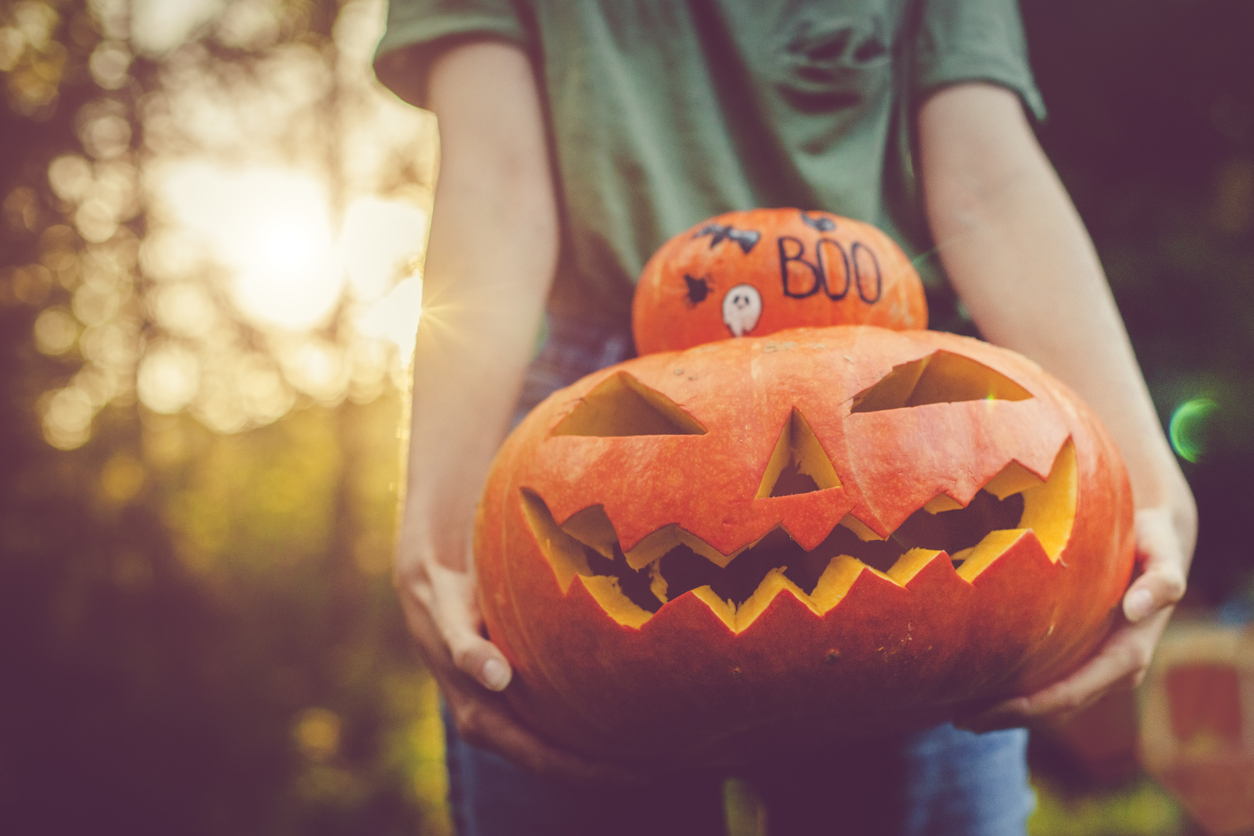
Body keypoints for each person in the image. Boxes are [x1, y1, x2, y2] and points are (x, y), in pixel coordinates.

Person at [373, 2, 1197, 834]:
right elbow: (497, 189)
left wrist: (1146, 481)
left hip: (908, 406)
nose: (791, 473)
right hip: (586, 420)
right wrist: (438, 530)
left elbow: (988, 182)